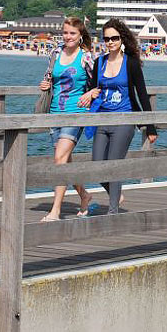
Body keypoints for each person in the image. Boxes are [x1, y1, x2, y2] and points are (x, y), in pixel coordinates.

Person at [78, 18, 157, 214]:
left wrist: (150, 127)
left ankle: (112, 211)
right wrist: (89, 93)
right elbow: (92, 88)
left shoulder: (130, 63)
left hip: (125, 120)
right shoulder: (100, 62)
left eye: (114, 38)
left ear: (122, 39)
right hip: (102, 120)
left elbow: (141, 93)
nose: (110, 42)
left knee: (114, 164)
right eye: (106, 39)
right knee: (98, 165)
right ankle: (116, 194)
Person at [38, 17, 97, 221]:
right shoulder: (55, 53)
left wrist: (90, 94)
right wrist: (45, 84)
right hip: (55, 112)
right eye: (65, 33)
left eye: (72, 33)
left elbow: (98, 83)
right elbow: (48, 76)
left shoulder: (86, 57)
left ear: (80, 35)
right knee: (65, 161)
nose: (68, 37)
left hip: (77, 113)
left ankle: (55, 210)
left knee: (59, 159)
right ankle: (84, 195)